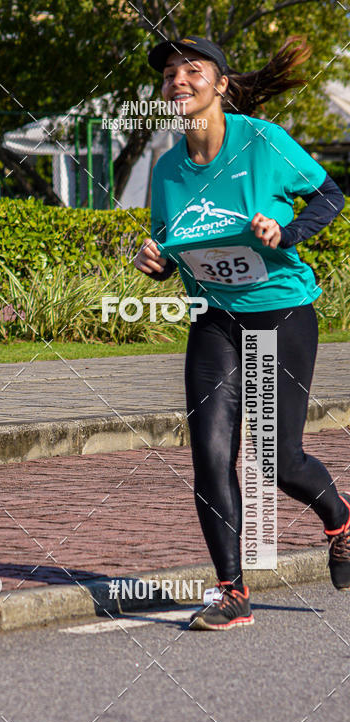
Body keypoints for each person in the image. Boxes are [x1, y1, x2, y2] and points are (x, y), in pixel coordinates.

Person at [134, 35, 350, 630]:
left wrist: (286, 230)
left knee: (278, 461)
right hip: (214, 318)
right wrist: (157, 262)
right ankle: (232, 592)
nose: (179, 79)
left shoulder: (262, 141)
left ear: (220, 85)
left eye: (192, 69)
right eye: (171, 72)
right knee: (210, 457)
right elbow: (174, 247)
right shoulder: (169, 168)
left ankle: (341, 520)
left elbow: (329, 195)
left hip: (281, 309)